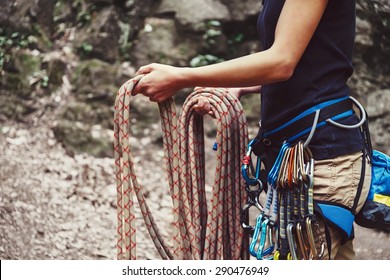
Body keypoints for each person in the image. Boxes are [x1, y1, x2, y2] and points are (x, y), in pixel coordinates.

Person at [132, 0, 371, 260]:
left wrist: (183, 76)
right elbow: (312, 61)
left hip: (321, 163)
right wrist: (242, 85)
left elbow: (281, 61)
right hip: (301, 163)